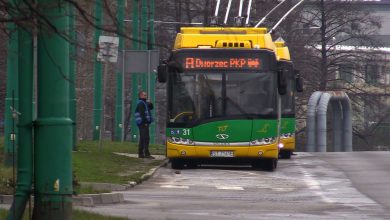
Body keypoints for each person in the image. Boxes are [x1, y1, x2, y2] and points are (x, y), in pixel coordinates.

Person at [135, 91, 154, 159]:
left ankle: (141, 154)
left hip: (143, 123)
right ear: (140, 96)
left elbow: (151, 108)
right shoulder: (141, 103)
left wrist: (150, 103)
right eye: (144, 95)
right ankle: (146, 154)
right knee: (146, 138)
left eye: (146, 95)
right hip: (143, 123)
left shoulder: (144, 103)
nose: (146, 96)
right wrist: (146, 122)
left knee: (143, 138)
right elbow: (142, 114)